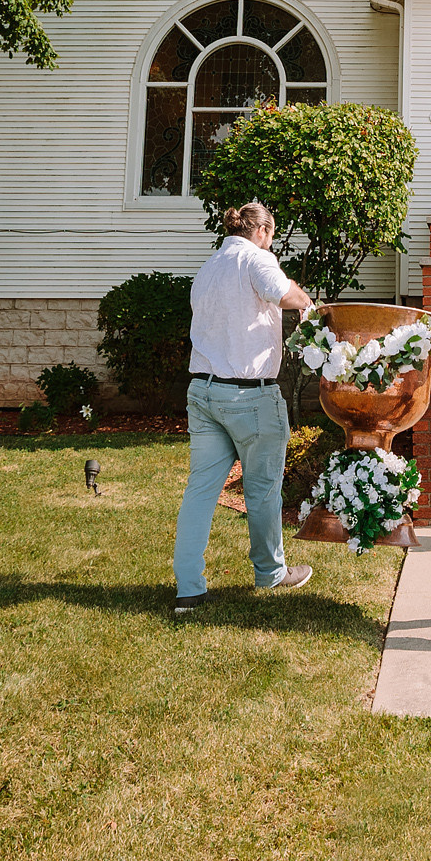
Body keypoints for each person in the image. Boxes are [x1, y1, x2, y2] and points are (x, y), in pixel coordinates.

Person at [172, 201, 314, 614]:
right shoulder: (258, 259)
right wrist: (304, 299)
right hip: (250, 395)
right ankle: (270, 572)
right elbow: (282, 292)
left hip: (203, 392)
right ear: (263, 231)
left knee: (200, 491)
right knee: (263, 490)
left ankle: (189, 590)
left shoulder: (208, 267)